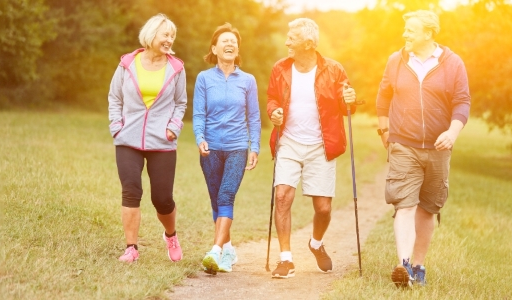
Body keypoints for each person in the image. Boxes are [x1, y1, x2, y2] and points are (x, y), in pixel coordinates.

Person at [376, 10, 471, 287]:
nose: (404, 34)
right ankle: (403, 265)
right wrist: (384, 130)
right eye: (405, 30)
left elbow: (462, 102)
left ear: (428, 33)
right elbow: (383, 97)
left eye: (410, 30)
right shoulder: (396, 61)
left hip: (439, 147)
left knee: (428, 208)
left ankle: (418, 266)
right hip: (404, 144)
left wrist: (452, 133)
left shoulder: (452, 63)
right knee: (404, 205)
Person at [266, 18, 357, 279]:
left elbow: (345, 106)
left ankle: (316, 243)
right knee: (282, 195)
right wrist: (274, 112)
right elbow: (272, 98)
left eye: (291, 38)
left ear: (308, 43)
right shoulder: (280, 68)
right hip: (289, 142)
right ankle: (285, 259)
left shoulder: (334, 70)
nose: (286, 42)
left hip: (322, 146)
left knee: (323, 209)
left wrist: (350, 100)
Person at [108, 14, 187, 263]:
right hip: (128, 138)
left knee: (162, 199)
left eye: (172, 36)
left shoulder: (176, 68)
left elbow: (180, 102)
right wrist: (117, 126)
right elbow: (114, 97)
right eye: (165, 34)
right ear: (152, 34)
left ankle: (171, 235)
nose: (169, 39)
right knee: (131, 191)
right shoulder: (127, 63)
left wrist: (173, 127)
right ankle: (131, 247)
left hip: (162, 141)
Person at [193, 23, 261, 275]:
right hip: (210, 148)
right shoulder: (204, 78)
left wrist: (255, 147)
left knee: (226, 196)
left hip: (236, 147)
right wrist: (199, 137)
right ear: (214, 48)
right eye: (224, 41)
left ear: (237, 49)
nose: (230, 44)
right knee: (216, 200)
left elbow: (253, 117)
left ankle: (215, 251)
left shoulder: (248, 80)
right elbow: (198, 113)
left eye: (233, 41)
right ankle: (228, 249)